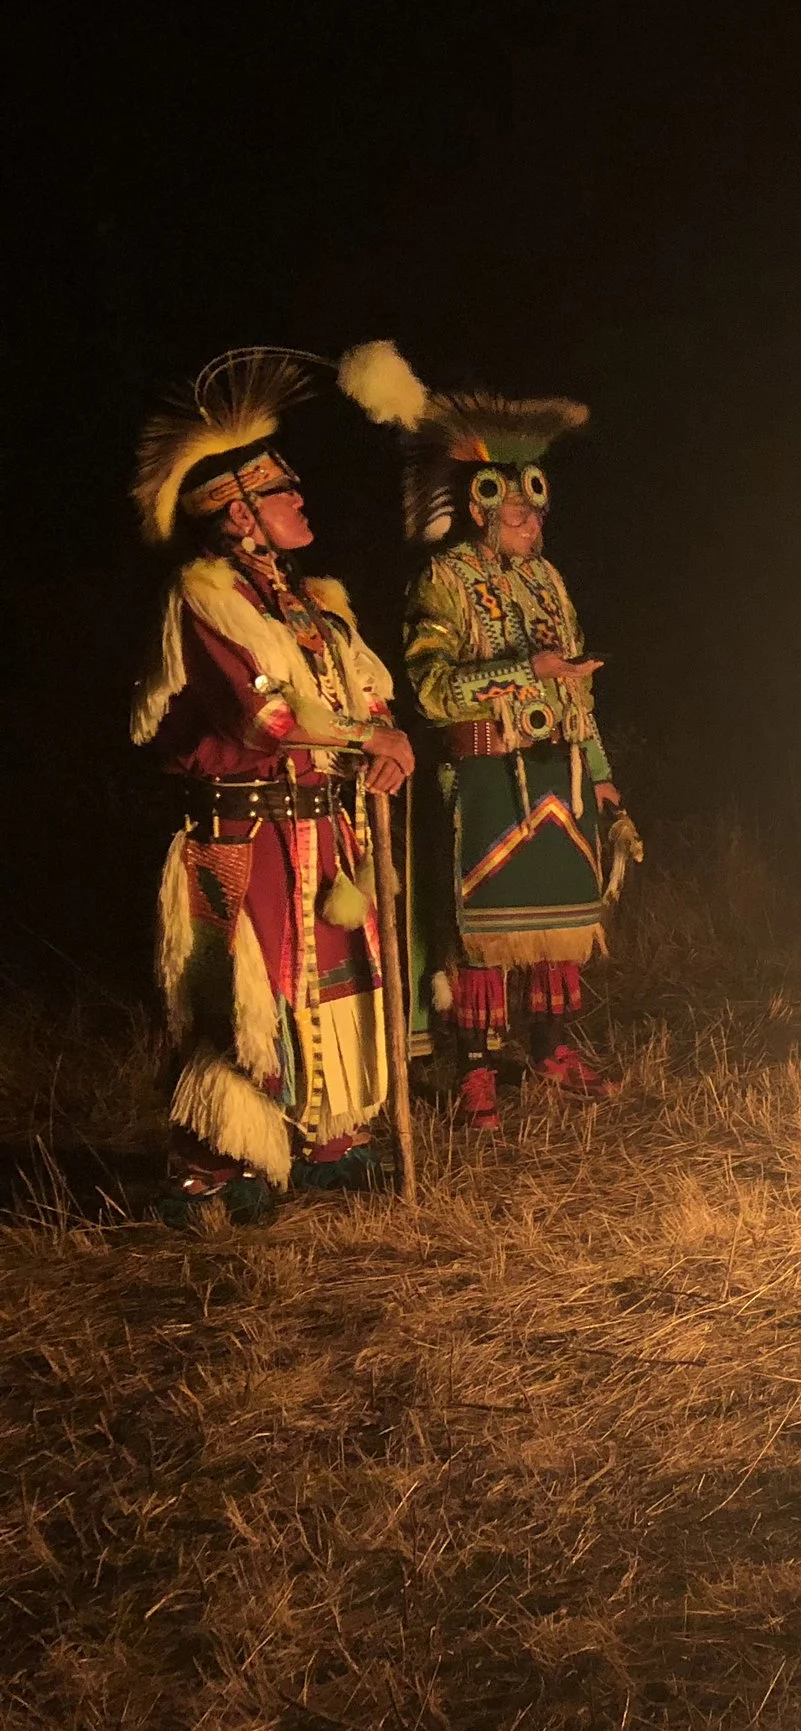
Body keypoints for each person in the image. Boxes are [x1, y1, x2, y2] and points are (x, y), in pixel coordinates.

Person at [130, 351, 415, 1223]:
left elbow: (366, 692)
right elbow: (268, 718)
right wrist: (369, 734)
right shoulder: (207, 597)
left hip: (325, 830)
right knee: (246, 998)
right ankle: (216, 1166)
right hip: (241, 833)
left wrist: (383, 745)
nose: (300, 500)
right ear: (237, 511)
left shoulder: (312, 603)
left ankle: (326, 1141)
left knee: (330, 983)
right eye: (280, 490)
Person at [343, 342, 634, 1130]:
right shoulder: (443, 579)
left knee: (558, 922)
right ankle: (473, 1068)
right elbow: (432, 689)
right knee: (480, 933)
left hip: (559, 773)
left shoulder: (550, 580)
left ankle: (551, 1048)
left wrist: (601, 772)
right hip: (482, 776)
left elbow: (577, 685)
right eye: (517, 512)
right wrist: (520, 668)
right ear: (479, 507)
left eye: (538, 509)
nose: (534, 522)